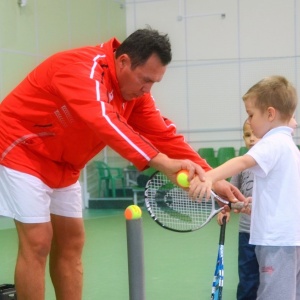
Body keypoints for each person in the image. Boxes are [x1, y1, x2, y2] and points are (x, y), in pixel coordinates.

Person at [0, 28, 244, 300]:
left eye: (154, 83)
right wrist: (162, 163)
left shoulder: (136, 96)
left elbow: (163, 135)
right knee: (38, 240)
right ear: (123, 61)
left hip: (64, 165)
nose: (147, 90)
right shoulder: (81, 70)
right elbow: (105, 121)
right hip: (21, 149)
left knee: (72, 242)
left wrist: (213, 177)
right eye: (145, 80)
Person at [190, 75, 300, 300]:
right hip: (289, 240)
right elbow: (284, 194)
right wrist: (257, 205)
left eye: (251, 115)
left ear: (270, 114)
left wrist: (209, 177)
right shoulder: (288, 145)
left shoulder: (272, 143)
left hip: (276, 241)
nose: (248, 121)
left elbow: (241, 162)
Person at [217, 120, 260, 300]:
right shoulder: (241, 165)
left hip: (270, 233)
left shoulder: (275, 162)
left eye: (255, 134)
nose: (251, 139)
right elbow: (230, 195)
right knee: (248, 278)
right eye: (247, 135)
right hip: (247, 233)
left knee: (270, 278)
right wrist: (225, 209)